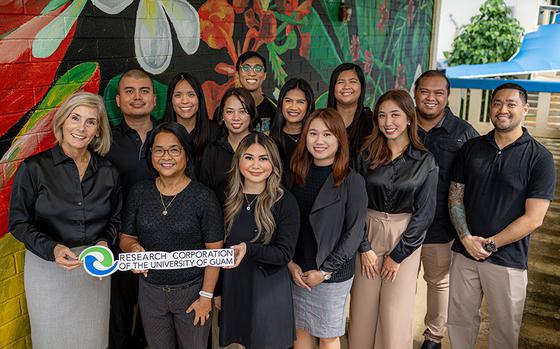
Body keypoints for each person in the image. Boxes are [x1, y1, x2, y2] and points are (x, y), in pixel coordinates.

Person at [8, 92, 122, 349]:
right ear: (62, 123)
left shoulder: (108, 172)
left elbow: (116, 219)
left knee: (93, 340)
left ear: (98, 130)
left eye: (90, 122)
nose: (81, 128)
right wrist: (53, 248)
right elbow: (18, 222)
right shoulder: (34, 168)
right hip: (48, 269)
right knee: (52, 341)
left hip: (94, 270)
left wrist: (105, 242)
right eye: (75, 118)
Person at [447, 83, 556, 349]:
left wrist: (492, 243)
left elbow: (534, 218)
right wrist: (466, 238)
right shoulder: (471, 148)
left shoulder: (539, 158)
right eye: (497, 103)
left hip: (508, 259)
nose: (502, 109)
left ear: (525, 109)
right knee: (459, 323)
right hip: (465, 253)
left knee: (504, 330)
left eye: (511, 104)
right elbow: (455, 197)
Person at [119, 122, 224, 349]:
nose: (166, 156)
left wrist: (206, 296)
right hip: (150, 293)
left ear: (186, 153)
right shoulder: (139, 192)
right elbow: (126, 237)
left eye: (174, 149)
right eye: (159, 150)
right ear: (151, 154)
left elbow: (214, 253)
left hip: (192, 292)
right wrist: (133, 249)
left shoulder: (203, 197)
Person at [349, 90, 438, 349]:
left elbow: (424, 214)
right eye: (383, 116)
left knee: (395, 314)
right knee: (362, 311)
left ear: (409, 118)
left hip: (405, 236)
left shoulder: (425, 160)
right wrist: (363, 246)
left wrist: (398, 255)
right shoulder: (364, 155)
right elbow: (353, 204)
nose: (388, 122)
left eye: (395, 115)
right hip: (367, 232)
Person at [288, 108, 367, 349]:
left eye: (327, 134)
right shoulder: (294, 174)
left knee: (327, 335)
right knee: (300, 329)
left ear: (339, 139)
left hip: (330, 274)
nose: (319, 141)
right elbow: (285, 224)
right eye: (313, 133)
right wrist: (290, 264)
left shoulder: (352, 181)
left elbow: (354, 233)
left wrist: (324, 272)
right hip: (297, 270)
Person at [413, 70, 479, 349]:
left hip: (440, 225)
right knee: (398, 282)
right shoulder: (400, 123)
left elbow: (475, 181)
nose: (431, 98)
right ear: (415, 92)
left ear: (447, 96)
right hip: (401, 221)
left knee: (438, 282)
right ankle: (397, 327)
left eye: (438, 93)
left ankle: (433, 337)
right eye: (425, 91)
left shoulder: (463, 133)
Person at [218, 133, 300, 349]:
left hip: (268, 291)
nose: (256, 165)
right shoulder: (226, 198)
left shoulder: (285, 202)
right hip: (235, 287)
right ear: (238, 161)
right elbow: (216, 248)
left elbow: (284, 254)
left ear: (273, 164)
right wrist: (217, 291)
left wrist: (249, 249)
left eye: (263, 158)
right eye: (249, 157)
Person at [106, 68, 157, 349]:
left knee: (156, 319)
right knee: (120, 317)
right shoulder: (105, 141)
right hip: (120, 241)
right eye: (129, 91)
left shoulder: (167, 137)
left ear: (153, 99)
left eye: (144, 91)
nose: (137, 97)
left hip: (164, 240)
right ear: (118, 100)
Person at [199, 87, 257, 205]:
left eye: (242, 111)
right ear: (222, 115)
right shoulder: (212, 150)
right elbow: (204, 192)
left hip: (259, 217)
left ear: (251, 113)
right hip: (220, 218)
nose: (236, 118)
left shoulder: (263, 146)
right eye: (229, 111)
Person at [164, 72, 217, 178]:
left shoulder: (215, 131)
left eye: (191, 94)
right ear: (171, 100)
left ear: (199, 98)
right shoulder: (161, 132)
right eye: (178, 95)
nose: (184, 101)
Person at [327, 63, 374, 167]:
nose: (346, 86)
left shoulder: (372, 123)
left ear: (361, 87)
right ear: (333, 87)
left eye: (353, 81)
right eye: (340, 82)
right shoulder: (322, 122)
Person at [269, 78, 315, 172]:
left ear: (308, 105)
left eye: (300, 102)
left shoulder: (315, 138)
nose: (293, 107)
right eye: (288, 101)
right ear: (281, 103)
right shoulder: (269, 137)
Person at [236, 50, 277, 132]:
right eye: (245, 68)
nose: (251, 73)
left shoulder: (276, 108)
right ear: (237, 74)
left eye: (258, 68)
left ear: (264, 75)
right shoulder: (227, 109)